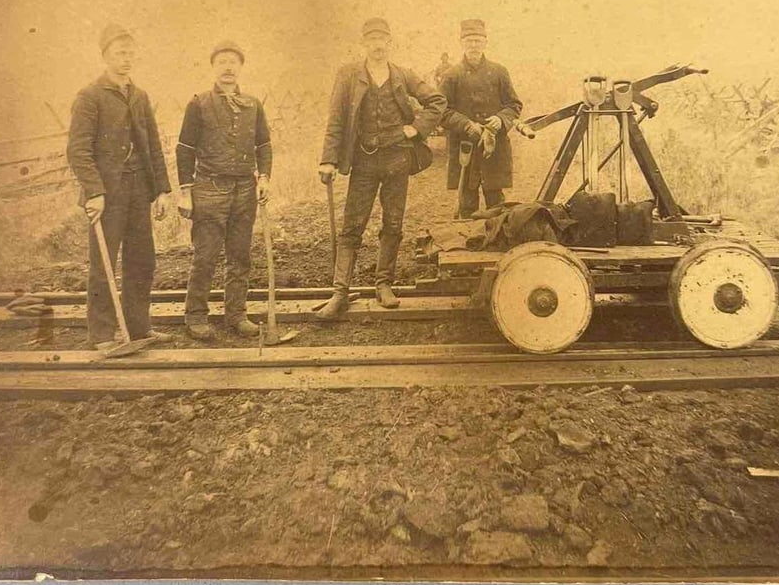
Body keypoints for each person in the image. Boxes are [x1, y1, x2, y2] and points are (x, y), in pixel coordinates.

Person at [315, 18, 447, 317]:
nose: (377, 45)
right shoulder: (348, 75)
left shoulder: (402, 74)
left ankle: (384, 283)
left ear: (390, 43)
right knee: (352, 225)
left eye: (382, 39)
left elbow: (437, 101)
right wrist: (328, 159)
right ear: (364, 43)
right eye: (372, 39)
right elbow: (336, 119)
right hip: (363, 160)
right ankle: (340, 292)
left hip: (397, 159)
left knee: (393, 222)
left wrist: (416, 128)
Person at [175, 40, 297, 345]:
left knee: (240, 256)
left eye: (233, 62)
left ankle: (236, 315)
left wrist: (264, 178)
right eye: (222, 62)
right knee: (206, 256)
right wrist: (186, 191)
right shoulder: (199, 104)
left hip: (244, 189)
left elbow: (264, 145)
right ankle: (195, 317)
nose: (228, 67)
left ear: (241, 67)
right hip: (209, 189)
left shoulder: (253, 105)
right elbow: (184, 149)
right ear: (213, 67)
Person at [66, 24, 172, 350]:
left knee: (142, 259)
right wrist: (94, 192)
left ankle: (139, 328)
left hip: (139, 188)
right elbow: (78, 150)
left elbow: (153, 146)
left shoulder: (140, 96)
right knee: (104, 262)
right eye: (119, 53)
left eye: (130, 53)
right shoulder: (90, 97)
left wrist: (161, 190)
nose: (126, 59)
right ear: (105, 56)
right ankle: (101, 335)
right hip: (107, 194)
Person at [439, 19, 524, 218]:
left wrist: (501, 119)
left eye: (478, 41)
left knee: (496, 203)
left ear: (485, 42)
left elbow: (514, 105)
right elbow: (441, 110)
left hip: (493, 146)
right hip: (465, 147)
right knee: (467, 202)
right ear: (461, 43)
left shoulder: (499, 72)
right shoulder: (451, 75)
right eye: (469, 41)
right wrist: (466, 124)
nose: (474, 45)